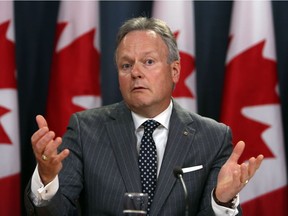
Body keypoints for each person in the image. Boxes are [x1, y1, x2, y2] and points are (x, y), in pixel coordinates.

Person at [24, 17, 263, 216]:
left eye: (148, 62)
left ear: (175, 71)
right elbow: (55, 212)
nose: (136, 72)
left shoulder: (213, 137)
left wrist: (220, 201)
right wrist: (46, 179)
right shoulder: (85, 129)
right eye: (126, 66)